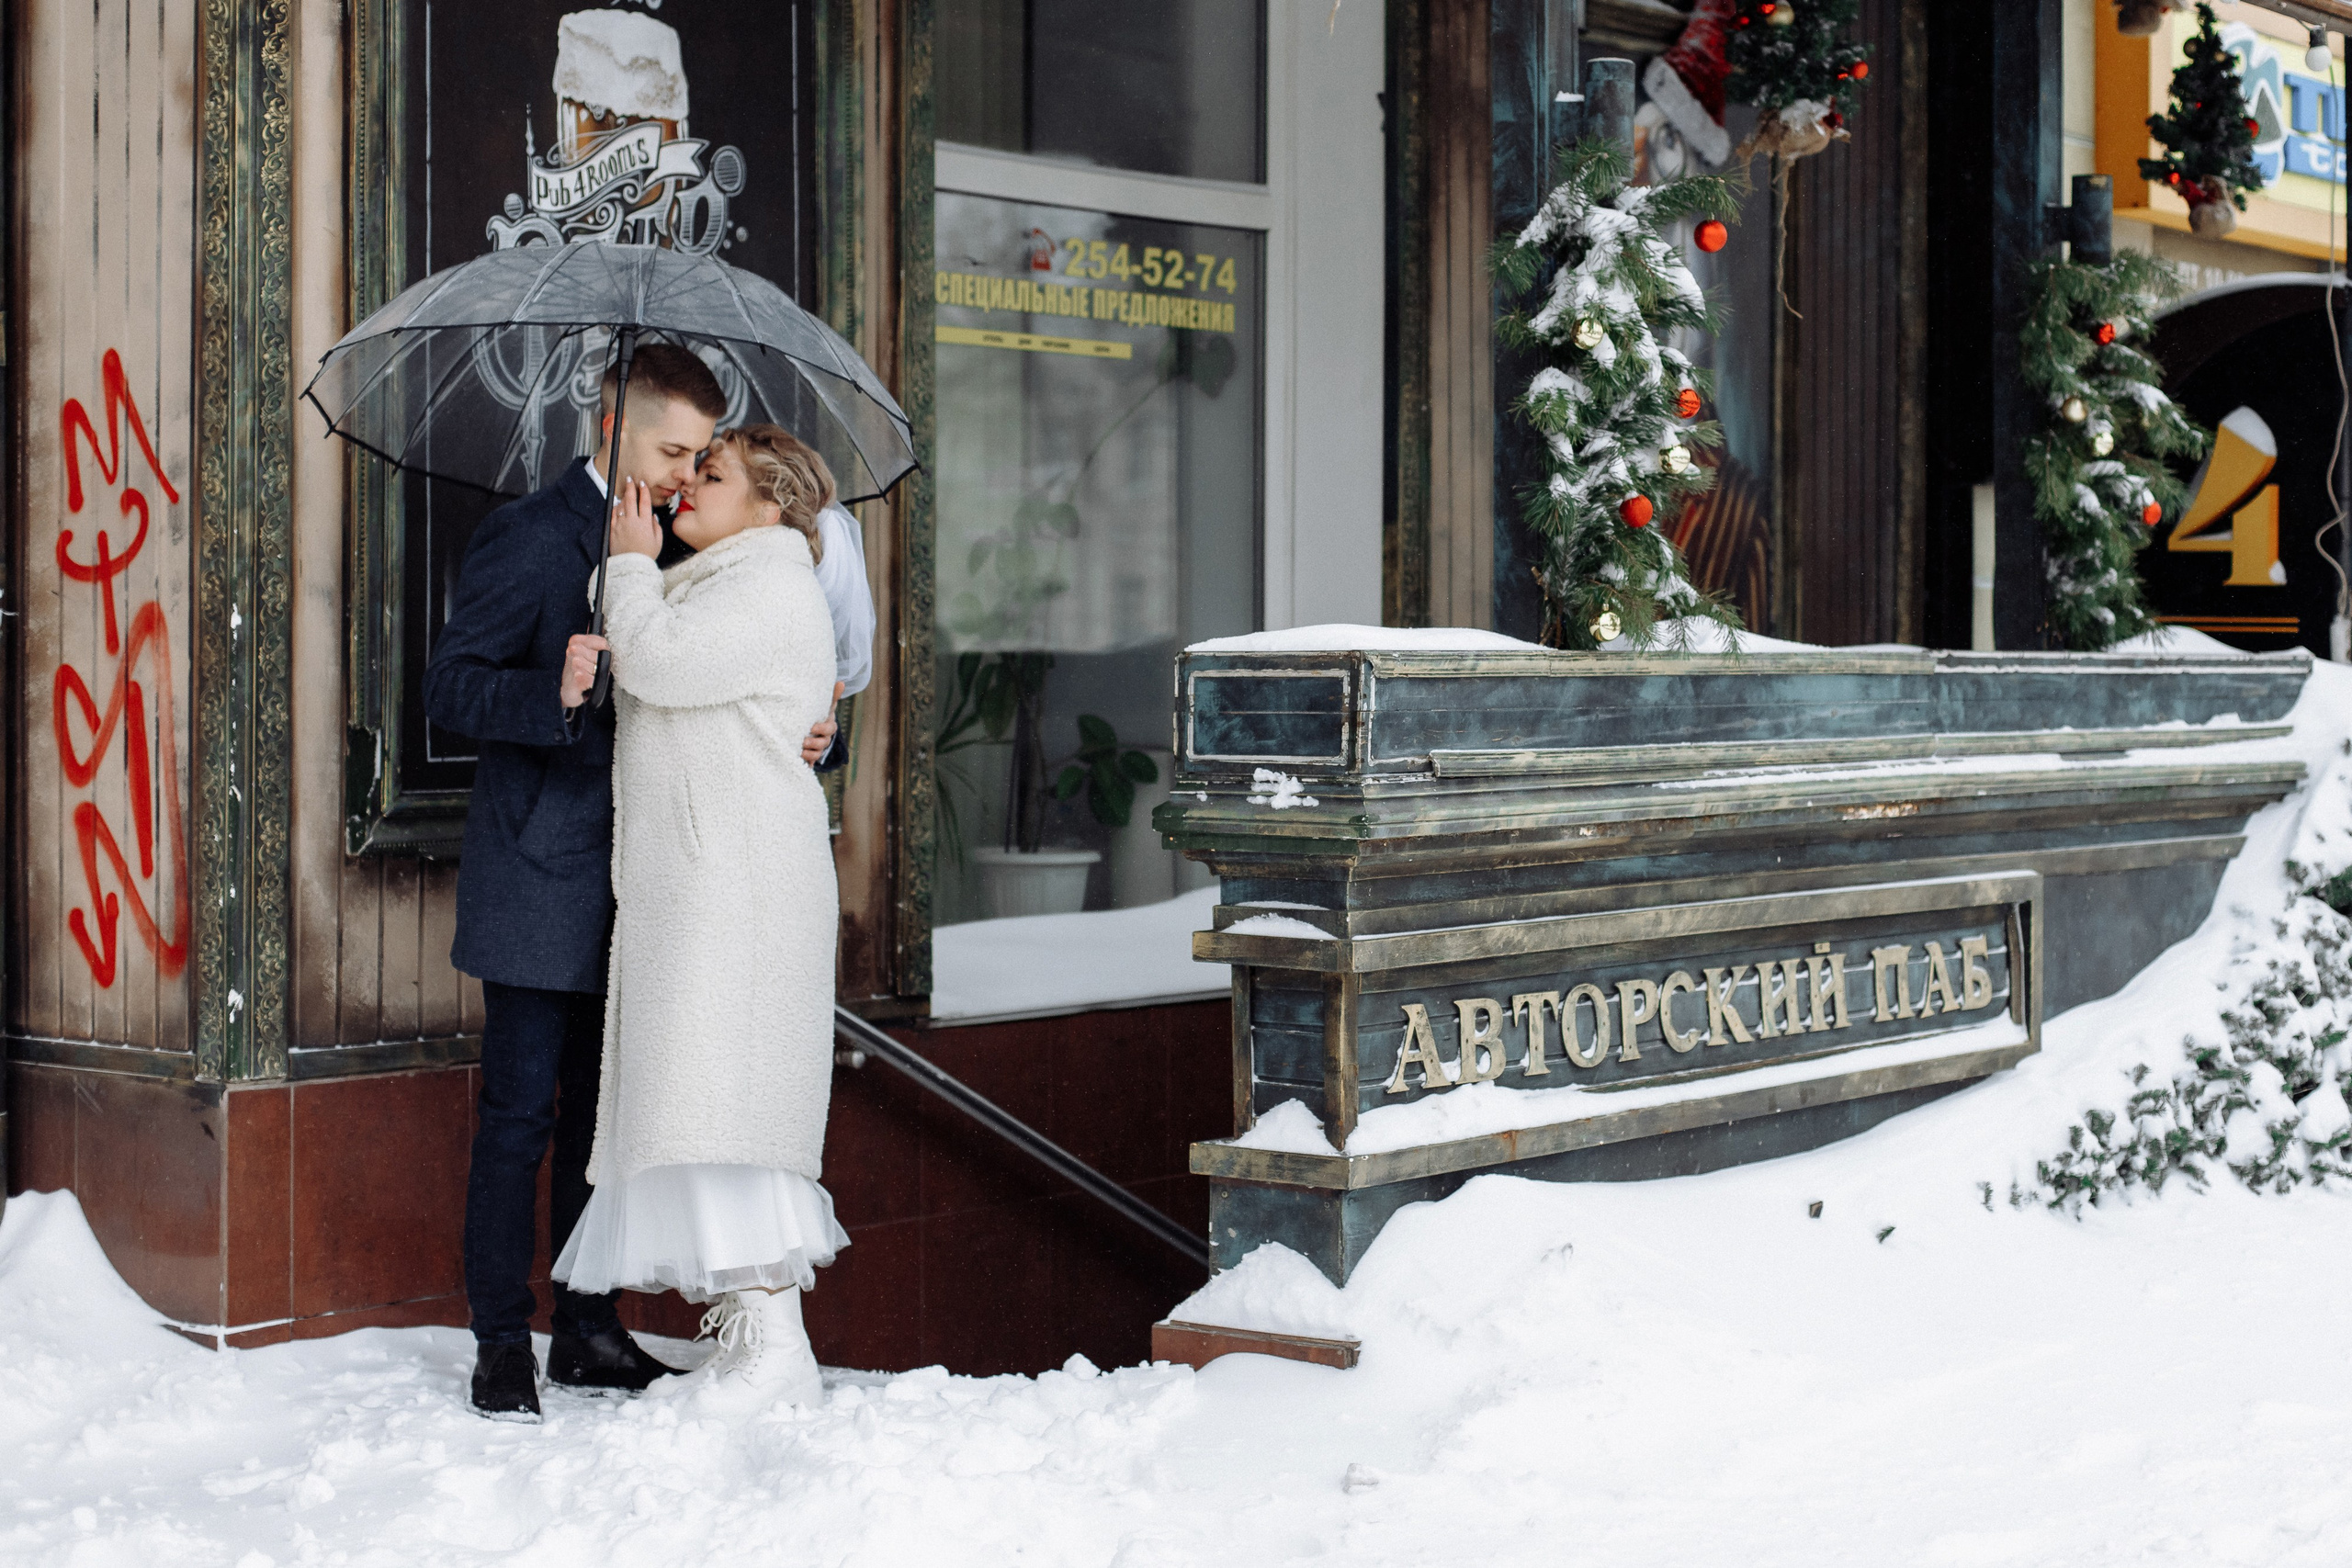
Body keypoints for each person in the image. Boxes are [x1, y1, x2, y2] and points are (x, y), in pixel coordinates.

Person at [423, 344, 841, 1422]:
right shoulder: (530, 534)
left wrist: (817, 729)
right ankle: (500, 1346)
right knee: (521, 1116)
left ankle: (589, 1329)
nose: (683, 472)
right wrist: (547, 691)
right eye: (670, 450)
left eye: (702, 456)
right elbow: (448, 686)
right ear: (611, 423)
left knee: (617, 1122)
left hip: (664, 890)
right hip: (543, 873)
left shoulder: (701, 549)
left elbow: (746, 672)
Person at [552, 426, 850, 1411]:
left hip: (742, 901)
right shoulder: (725, 583)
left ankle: (774, 1348)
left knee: (734, 1117)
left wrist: (630, 564)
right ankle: (754, 1337)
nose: (685, 488)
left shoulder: (764, 587)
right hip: (714, 893)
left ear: (769, 507)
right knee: (708, 1114)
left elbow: (661, 663)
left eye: (710, 475)